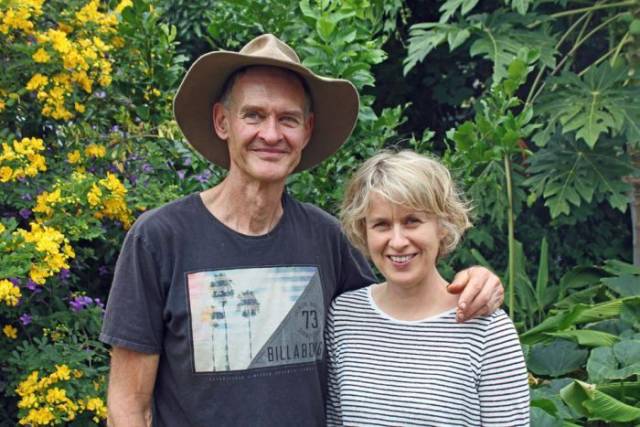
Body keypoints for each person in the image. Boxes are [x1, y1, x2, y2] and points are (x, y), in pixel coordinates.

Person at [99, 34, 504, 426]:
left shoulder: (326, 238)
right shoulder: (160, 239)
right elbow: (127, 406)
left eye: (288, 119)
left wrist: (474, 281)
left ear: (307, 131)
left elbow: (399, 303)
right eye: (253, 115)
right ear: (223, 121)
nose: (271, 134)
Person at [326, 150, 530, 426]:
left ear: (443, 226)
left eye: (412, 221)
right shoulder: (344, 316)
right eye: (381, 225)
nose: (398, 241)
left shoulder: (487, 329)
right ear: (364, 231)